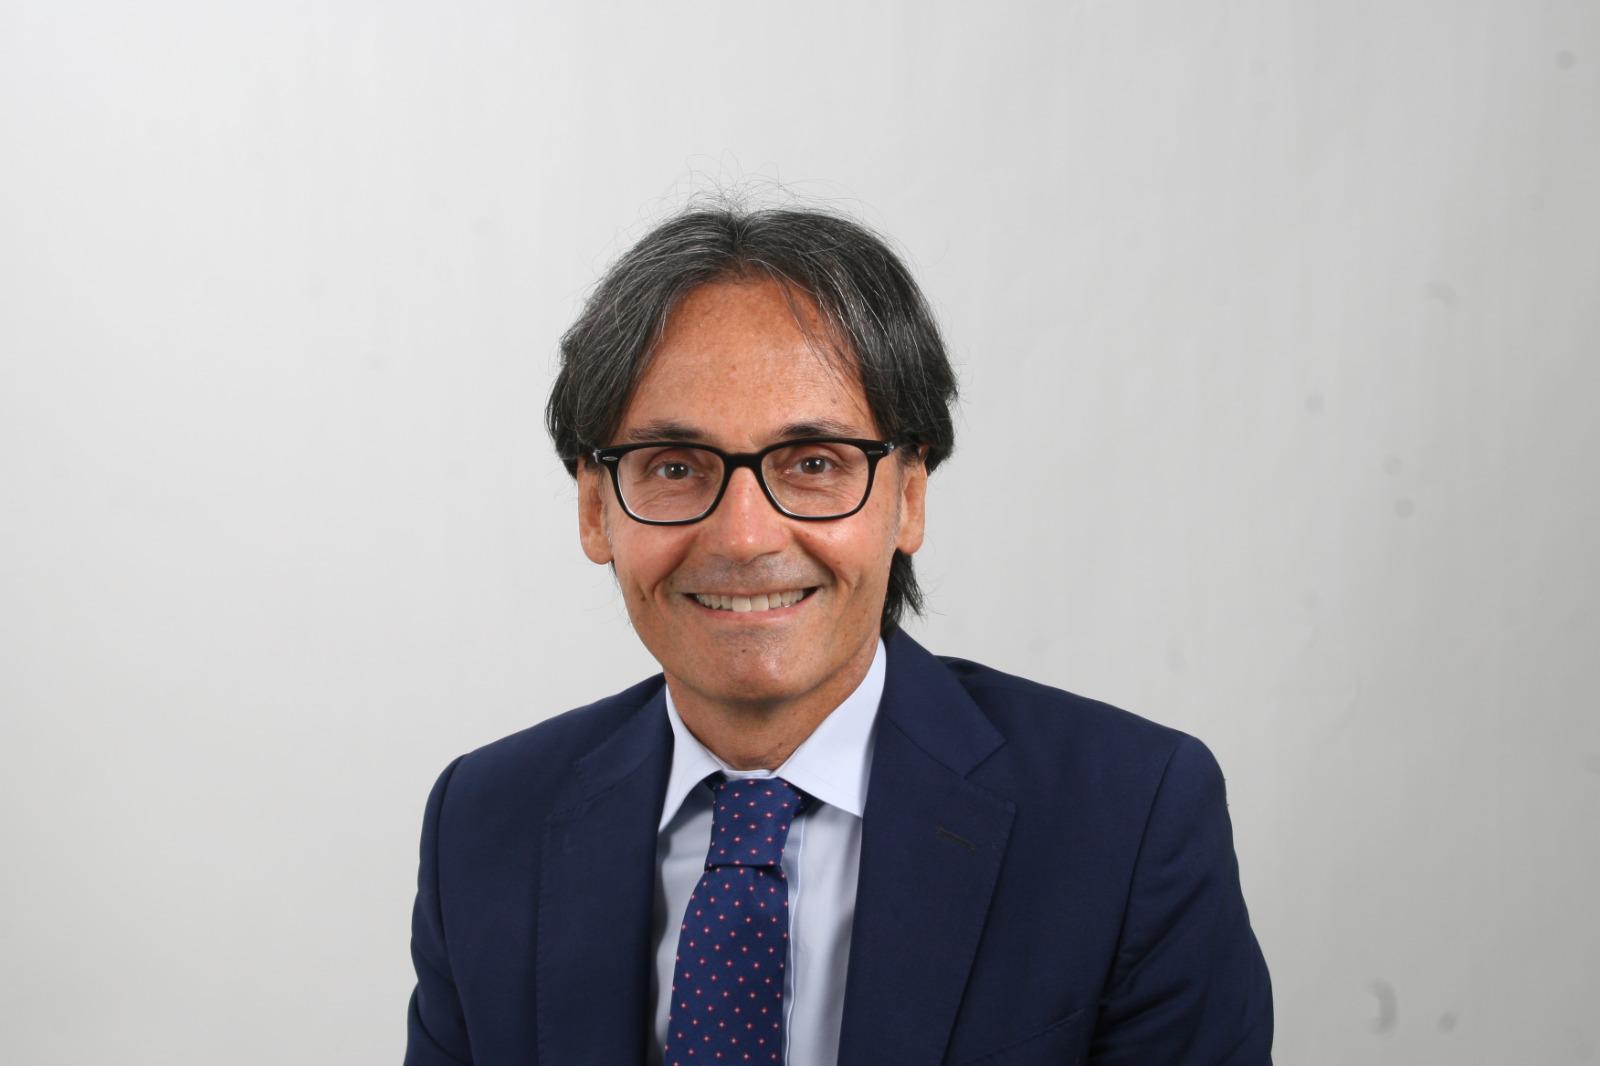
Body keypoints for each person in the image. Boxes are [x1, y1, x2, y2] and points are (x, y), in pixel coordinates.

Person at [403, 206, 1273, 1066]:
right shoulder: (484, 824)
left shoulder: (1128, 820)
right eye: (674, 467)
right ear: (595, 509)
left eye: (813, 464)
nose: (745, 537)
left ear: (910, 496)